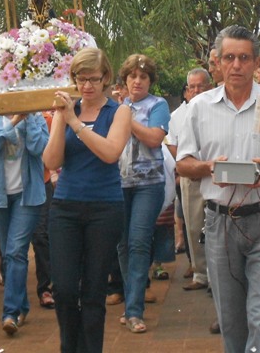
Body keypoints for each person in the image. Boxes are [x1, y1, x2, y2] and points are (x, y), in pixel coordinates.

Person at [177, 25, 260, 353]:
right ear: (217, 63)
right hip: (219, 222)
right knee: (231, 318)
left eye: (244, 58)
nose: (236, 65)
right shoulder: (199, 107)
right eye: (229, 58)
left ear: (256, 62)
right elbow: (183, 164)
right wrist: (209, 168)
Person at [44, 48, 131, 352]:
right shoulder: (66, 110)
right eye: (81, 80)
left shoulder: (119, 111)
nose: (87, 86)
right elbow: (52, 159)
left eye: (94, 79)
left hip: (104, 207)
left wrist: (76, 124)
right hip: (66, 205)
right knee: (65, 289)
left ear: (106, 77)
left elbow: (110, 153)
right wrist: (61, 119)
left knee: (94, 292)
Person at [0, 104, 49, 335]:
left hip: (27, 195)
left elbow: (40, 148)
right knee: (10, 253)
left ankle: (9, 313)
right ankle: (22, 306)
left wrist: (26, 120)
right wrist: (13, 121)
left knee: (16, 251)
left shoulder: (36, 115)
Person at [116, 53, 171, 334]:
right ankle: (132, 303)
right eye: (133, 77)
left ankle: (134, 310)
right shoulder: (114, 106)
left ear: (150, 81)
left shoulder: (157, 104)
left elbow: (154, 138)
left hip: (149, 184)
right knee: (122, 245)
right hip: (118, 184)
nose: (137, 81)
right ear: (125, 80)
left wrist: (126, 118)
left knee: (138, 242)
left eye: (143, 77)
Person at [166, 68, 213, 293]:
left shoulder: (216, 109)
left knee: (215, 227)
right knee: (193, 227)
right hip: (190, 176)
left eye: (200, 86)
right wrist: (189, 165)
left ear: (210, 87)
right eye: (191, 87)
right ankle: (200, 273)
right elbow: (172, 144)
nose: (195, 91)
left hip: (216, 177)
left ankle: (217, 277)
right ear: (186, 91)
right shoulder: (177, 116)